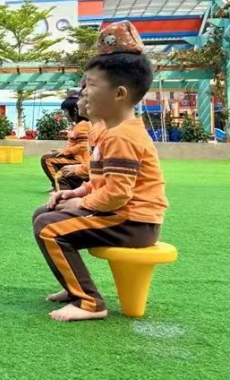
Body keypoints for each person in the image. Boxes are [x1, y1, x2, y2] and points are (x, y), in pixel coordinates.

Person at [32, 21, 168, 322]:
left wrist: (80, 203)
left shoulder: (122, 136)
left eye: (90, 85)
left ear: (119, 93)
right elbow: (102, 181)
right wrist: (78, 192)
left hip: (134, 222)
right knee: (43, 214)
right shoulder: (109, 132)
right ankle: (74, 286)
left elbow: (117, 194)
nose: (84, 93)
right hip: (123, 217)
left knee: (49, 227)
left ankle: (89, 302)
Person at [56, 91, 106, 191]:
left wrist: (79, 169)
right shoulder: (95, 127)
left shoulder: (107, 131)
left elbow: (117, 189)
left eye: (81, 98)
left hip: (82, 162)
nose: (77, 103)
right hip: (88, 168)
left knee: (60, 175)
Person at [39, 97, 91, 191]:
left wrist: (65, 151)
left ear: (74, 111)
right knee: (50, 157)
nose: (65, 115)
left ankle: (58, 185)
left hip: (81, 160)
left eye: (65, 111)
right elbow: (78, 140)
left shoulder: (82, 125)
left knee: (47, 159)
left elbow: (84, 145)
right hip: (77, 157)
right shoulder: (79, 125)